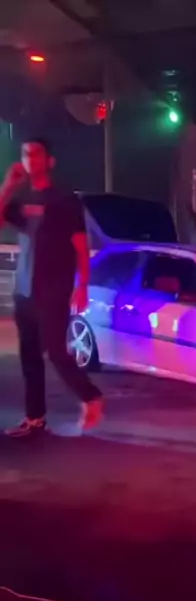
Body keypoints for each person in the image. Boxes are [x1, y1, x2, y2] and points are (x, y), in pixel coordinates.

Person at [0, 137, 104, 437]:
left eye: (36, 153)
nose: (30, 158)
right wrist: (8, 185)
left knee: (57, 351)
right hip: (24, 289)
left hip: (54, 288)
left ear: (50, 161)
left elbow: (80, 245)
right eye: (25, 154)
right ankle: (35, 418)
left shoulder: (64, 200)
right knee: (29, 356)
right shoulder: (20, 199)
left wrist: (83, 285)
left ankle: (91, 396)